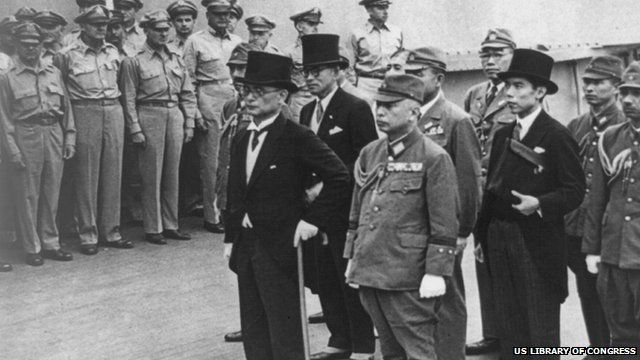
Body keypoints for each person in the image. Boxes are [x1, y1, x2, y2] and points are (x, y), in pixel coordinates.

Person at [225, 51, 350, 360]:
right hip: (247, 244)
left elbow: (339, 176)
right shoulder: (242, 136)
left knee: (284, 326)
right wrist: (230, 236)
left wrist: (312, 221)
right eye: (245, 91)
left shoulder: (296, 136)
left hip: (281, 246)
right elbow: (236, 189)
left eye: (259, 92)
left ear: (282, 96)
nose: (249, 98)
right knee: (253, 325)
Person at [476, 49, 585, 357]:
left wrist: (539, 202)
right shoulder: (503, 134)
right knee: (509, 325)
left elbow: (575, 190)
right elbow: (491, 188)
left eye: (519, 86)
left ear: (539, 92)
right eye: (507, 86)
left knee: (540, 330)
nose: (509, 94)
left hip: (535, 243)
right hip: (499, 238)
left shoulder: (556, 135)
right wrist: (482, 235)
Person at [345, 73, 458, 359]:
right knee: (390, 351)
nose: (380, 112)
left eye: (390, 105)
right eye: (378, 105)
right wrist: (353, 257)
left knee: (419, 351)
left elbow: (444, 222)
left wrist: (436, 271)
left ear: (414, 112)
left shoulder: (433, 157)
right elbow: (358, 210)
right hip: (371, 271)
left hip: (408, 276)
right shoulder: (371, 153)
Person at [299, 34, 378, 360]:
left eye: (318, 70)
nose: (310, 77)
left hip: (345, 207)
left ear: (337, 71)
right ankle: (339, 338)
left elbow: (367, 157)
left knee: (347, 277)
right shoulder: (305, 112)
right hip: (315, 210)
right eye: (307, 71)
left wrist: (326, 184)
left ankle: (362, 345)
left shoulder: (354, 107)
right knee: (324, 276)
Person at [406, 45, 481, 360]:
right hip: (411, 229)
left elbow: (469, 182)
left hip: (444, 229)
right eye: (407, 73)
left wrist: (462, 232)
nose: (411, 80)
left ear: (438, 78)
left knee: (447, 301)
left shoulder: (455, 119)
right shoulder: (405, 118)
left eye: (418, 74)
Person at [54, 5, 129, 255]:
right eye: (95, 23)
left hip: (113, 109)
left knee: (113, 172)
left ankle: (111, 231)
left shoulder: (114, 52)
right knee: (86, 175)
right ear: (82, 26)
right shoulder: (67, 54)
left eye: (104, 24)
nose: (101, 28)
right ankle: (88, 234)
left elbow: (121, 83)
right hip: (84, 110)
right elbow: (62, 90)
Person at [0, 22, 75, 266]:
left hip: (53, 131)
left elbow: (67, 110)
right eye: (25, 44)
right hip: (26, 133)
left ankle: (51, 242)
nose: (31, 49)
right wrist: (12, 150)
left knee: (52, 190)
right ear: (17, 45)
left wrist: (69, 137)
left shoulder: (53, 72)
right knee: (28, 194)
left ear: (42, 46)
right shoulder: (8, 78)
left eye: (35, 45)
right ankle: (32, 247)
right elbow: (5, 119)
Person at [121, 10, 197, 245]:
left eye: (166, 29)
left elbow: (187, 92)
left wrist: (189, 123)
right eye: (158, 29)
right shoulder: (134, 60)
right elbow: (129, 98)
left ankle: (171, 224)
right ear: (146, 30)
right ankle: (153, 227)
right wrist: (135, 128)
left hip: (174, 114)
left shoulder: (176, 57)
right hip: (149, 113)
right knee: (151, 174)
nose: (163, 33)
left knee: (172, 173)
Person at [565, 55, 624, 348]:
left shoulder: (626, 126)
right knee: (587, 291)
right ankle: (598, 348)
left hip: (613, 228)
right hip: (578, 226)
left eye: (598, 83)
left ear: (616, 87)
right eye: (586, 82)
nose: (589, 88)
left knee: (617, 297)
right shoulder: (577, 125)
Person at [462, 28, 515, 355]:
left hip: (505, 189)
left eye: (498, 53)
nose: (491, 60)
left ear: (513, 54)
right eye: (486, 54)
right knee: (483, 261)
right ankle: (493, 332)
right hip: (478, 189)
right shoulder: (475, 93)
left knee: (509, 263)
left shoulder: (522, 91)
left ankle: (514, 336)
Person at [584, 61, 640, 348]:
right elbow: (596, 201)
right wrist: (593, 250)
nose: (629, 100)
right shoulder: (611, 139)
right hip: (614, 256)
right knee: (620, 336)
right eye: (626, 91)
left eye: (638, 93)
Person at [183, 0, 241, 234]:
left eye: (227, 14)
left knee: (233, 158)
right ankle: (212, 215)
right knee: (212, 161)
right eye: (218, 14)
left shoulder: (237, 42)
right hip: (209, 99)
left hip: (234, 99)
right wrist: (195, 111)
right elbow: (188, 79)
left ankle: (230, 210)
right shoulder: (195, 41)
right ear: (208, 15)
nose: (223, 19)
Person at [346, 0, 403, 106]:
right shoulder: (357, 34)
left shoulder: (397, 32)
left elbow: (402, 60)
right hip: (366, 84)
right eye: (380, 8)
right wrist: (354, 88)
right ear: (368, 10)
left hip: (390, 85)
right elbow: (349, 65)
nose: (385, 11)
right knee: (365, 119)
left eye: (386, 7)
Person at [284, 7, 322, 123]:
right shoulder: (289, 52)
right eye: (311, 24)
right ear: (299, 27)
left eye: (316, 24)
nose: (315, 28)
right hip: (298, 102)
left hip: (319, 101)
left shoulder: (322, 50)